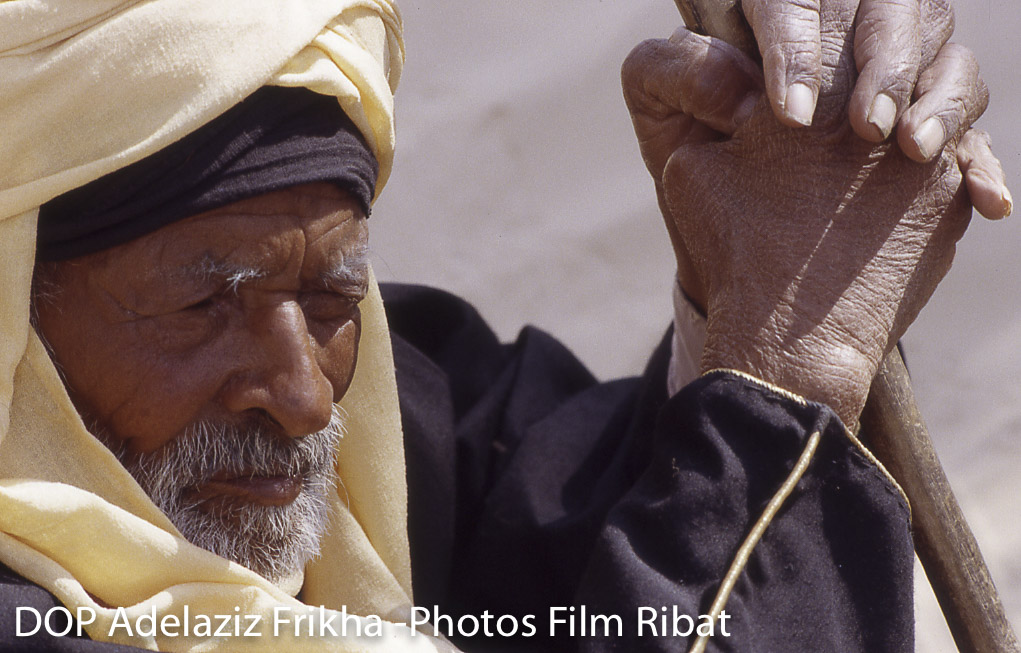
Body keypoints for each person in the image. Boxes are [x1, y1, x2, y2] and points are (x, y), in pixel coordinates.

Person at [0, 1, 1010, 652]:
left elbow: (567, 556)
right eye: (200, 304)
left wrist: (736, 279)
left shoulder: (385, 443)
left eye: (333, 299)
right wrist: (790, 380)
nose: (305, 399)